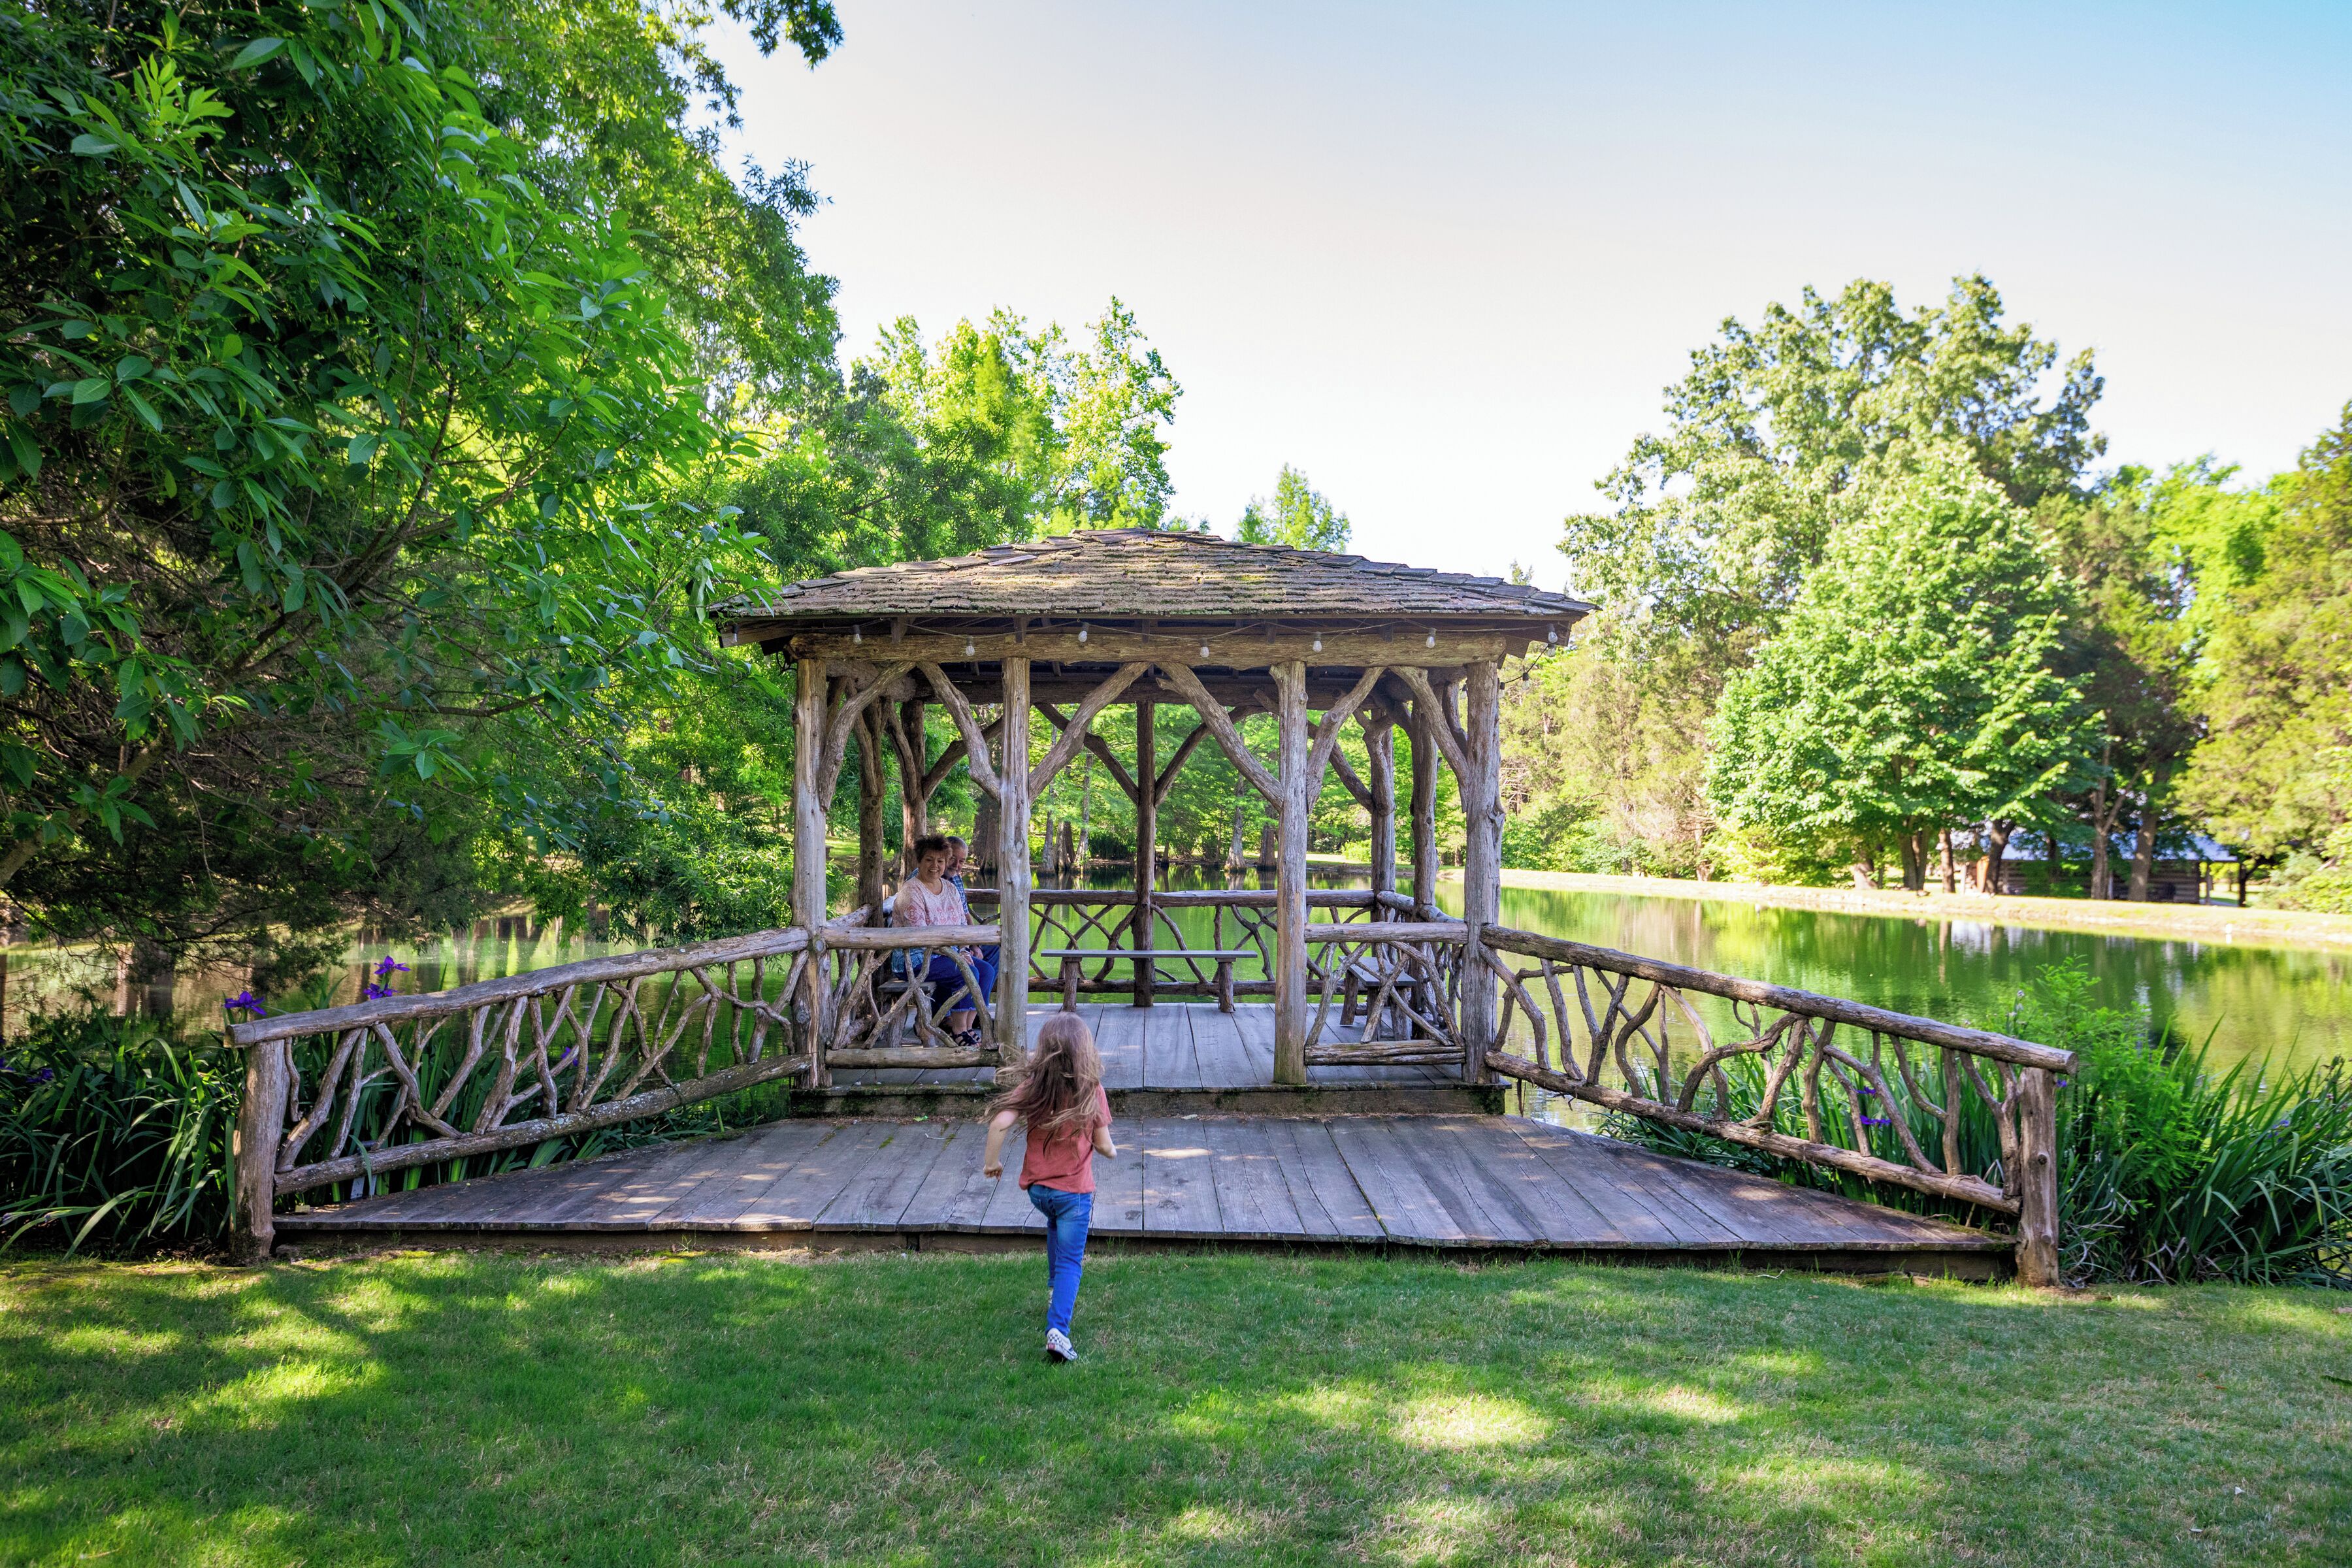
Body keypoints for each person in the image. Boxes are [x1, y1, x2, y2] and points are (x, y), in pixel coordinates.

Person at [982, 1011, 1115, 1364]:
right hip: (1074, 1193)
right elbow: (1103, 1145)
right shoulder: (1092, 1089)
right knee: (1072, 1260)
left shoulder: (1034, 1085)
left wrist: (992, 1163)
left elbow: (1000, 1122)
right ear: (1084, 1050)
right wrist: (1112, 1152)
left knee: (1055, 1225)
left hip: (1040, 1192)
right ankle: (1058, 1330)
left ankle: (1056, 1291)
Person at [896, 834, 996, 1047]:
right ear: (920, 862)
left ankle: (968, 1027)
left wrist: (965, 950)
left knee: (986, 970)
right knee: (967, 971)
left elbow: (961, 925)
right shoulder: (911, 891)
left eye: (940, 861)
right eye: (929, 860)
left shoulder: (950, 888)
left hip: (945, 954)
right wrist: (956, 955)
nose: (935, 866)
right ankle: (958, 1031)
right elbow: (921, 937)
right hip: (915, 958)